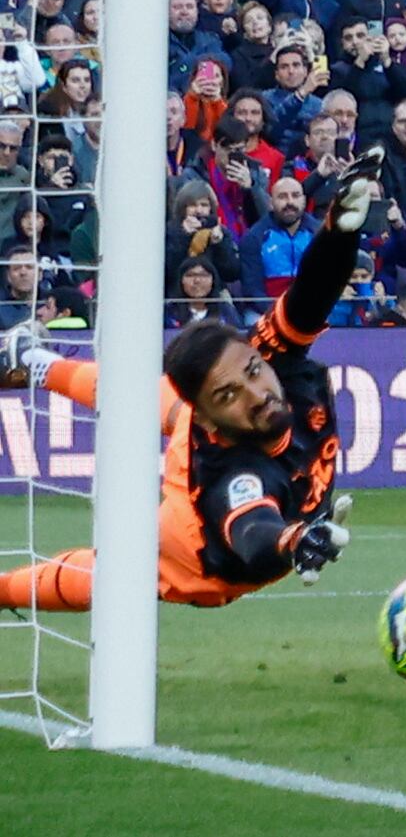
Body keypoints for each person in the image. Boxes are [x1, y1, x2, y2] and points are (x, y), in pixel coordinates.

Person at [0, 177, 371, 613]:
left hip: (208, 423)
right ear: (206, 418)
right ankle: (4, 590)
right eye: (230, 394)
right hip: (195, 552)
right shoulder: (235, 477)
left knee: (143, 397)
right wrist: (295, 539)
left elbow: (312, 294)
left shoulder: (270, 360)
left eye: (254, 371)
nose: (257, 393)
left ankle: (33, 362)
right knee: (119, 573)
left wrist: (339, 232)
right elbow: (253, 532)